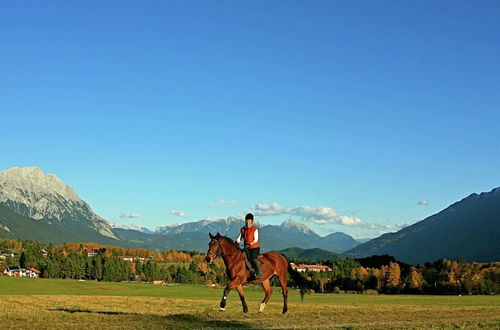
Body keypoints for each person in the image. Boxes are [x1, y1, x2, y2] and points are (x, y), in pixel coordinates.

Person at [236, 213, 261, 279]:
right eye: (247, 220)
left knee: (253, 258)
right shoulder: (243, 229)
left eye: (249, 221)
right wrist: (237, 242)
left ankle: (258, 273)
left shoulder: (255, 229)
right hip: (246, 248)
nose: (247, 222)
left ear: (252, 221)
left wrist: (249, 244)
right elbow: (239, 238)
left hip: (254, 248)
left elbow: (255, 240)